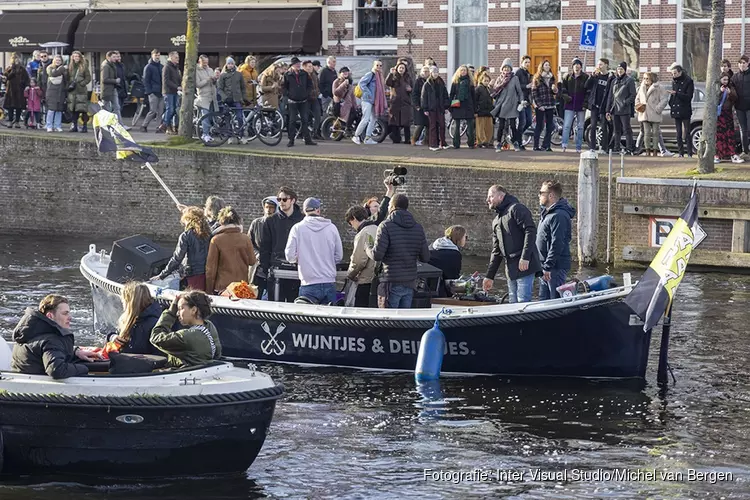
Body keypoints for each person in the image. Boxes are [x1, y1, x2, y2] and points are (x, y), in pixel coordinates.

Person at [11, 294, 102, 379]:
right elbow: (56, 370)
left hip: (22, 378)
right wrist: (84, 368)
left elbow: (40, 349)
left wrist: (75, 352)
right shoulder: (51, 340)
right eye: (65, 313)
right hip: (39, 388)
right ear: (50, 316)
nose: (70, 317)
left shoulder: (30, 332)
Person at [482, 184, 542, 304]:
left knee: (522, 301)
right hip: (510, 268)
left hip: (524, 265)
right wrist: (489, 276)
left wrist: (525, 257)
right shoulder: (496, 221)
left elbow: (530, 231)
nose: (487, 200)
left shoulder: (517, 209)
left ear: (500, 196)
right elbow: (497, 251)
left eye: (490, 196)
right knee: (513, 303)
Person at [369, 194, 430, 309]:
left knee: (388, 320)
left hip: (391, 282)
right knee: (403, 320)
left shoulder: (385, 226)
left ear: (392, 207)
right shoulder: (418, 228)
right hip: (410, 282)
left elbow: (377, 255)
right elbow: (425, 258)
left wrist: (368, 248)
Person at [285, 198, 343, 304]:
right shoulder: (332, 228)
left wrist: (301, 259)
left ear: (304, 211)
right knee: (329, 319)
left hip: (308, 283)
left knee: (306, 319)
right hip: (329, 281)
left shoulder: (297, 228)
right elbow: (339, 256)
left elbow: (289, 256)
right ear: (318, 210)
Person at [150, 291, 221, 368]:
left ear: (193, 310)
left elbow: (155, 337)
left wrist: (170, 312)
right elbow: (217, 354)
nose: (177, 313)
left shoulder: (186, 337)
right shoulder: (210, 327)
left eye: (181, 308)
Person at [260, 186, 305, 302]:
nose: (281, 202)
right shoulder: (270, 221)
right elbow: (265, 246)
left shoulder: (303, 221)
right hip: (275, 269)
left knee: (295, 306)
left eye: (284, 199)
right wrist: (266, 268)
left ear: (293, 200)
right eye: (279, 200)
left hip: (297, 271)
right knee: (274, 305)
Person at [153, 206, 211, 291]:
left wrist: (162, 275)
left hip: (193, 274)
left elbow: (177, 258)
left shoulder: (186, 236)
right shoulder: (209, 234)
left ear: (188, 220)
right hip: (208, 273)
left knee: (194, 300)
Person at [536, 181, 576, 300]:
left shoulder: (558, 215)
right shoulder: (548, 213)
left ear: (551, 195)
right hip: (545, 266)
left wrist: (548, 266)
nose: (539, 195)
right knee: (543, 302)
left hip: (554, 267)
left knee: (555, 301)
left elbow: (557, 243)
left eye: (541, 193)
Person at [205, 207, 256, 295]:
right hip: (241, 287)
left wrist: (209, 290)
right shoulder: (246, 238)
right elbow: (252, 261)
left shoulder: (216, 240)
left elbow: (211, 269)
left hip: (223, 288)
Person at [104, 282, 163, 356]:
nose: (122, 303)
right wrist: (112, 337)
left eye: (123, 300)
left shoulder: (152, 324)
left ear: (129, 302)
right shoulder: (130, 320)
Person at [345, 205, 379, 307]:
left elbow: (359, 261)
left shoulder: (362, 234)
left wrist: (350, 274)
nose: (352, 226)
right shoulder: (378, 229)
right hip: (378, 280)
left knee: (361, 310)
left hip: (365, 280)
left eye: (350, 223)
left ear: (354, 218)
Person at [248, 196, 280, 299]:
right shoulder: (256, 223)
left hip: (273, 268)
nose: (269, 210)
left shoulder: (279, 225)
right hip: (258, 267)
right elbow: (249, 243)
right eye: (267, 207)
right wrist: (257, 254)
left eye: (271, 207)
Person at [491, 59, 523, 152]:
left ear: (511, 69)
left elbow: (520, 92)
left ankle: (516, 143)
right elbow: (494, 91)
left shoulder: (515, 78)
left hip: (512, 105)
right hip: (502, 105)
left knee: (513, 126)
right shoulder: (499, 78)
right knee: (501, 126)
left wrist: (521, 101)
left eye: (508, 68)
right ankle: (498, 143)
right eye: (505, 68)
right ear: (502, 69)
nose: (506, 70)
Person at [634, 71, 669, 157]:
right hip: (644, 113)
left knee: (655, 133)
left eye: (647, 78)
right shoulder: (641, 88)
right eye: (644, 78)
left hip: (654, 113)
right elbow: (637, 98)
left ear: (652, 79)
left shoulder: (659, 87)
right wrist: (638, 107)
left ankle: (655, 151)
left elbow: (664, 99)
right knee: (646, 132)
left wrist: (658, 108)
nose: (645, 80)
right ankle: (647, 151)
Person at [284, 57, 316, 147]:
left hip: (303, 100)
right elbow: (284, 87)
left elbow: (310, 84)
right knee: (292, 121)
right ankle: (291, 140)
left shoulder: (304, 74)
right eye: (296, 64)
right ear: (292, 65)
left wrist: (306, 93)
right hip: (292, 101)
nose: (298, 65)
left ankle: (307, 139)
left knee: (305, 120)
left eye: (298, 63)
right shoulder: (287, 74)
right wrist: (289, 95)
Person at [353, 60, 387, 145]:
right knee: (365, 119)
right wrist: (368, 93)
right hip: (367, 100)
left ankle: (367, 138)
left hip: (374, 101)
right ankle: (356, 136)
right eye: (377, 65)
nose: (379, 67)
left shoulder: (379, 76)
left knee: (374, 119)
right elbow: (361, 83)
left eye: (380, 65)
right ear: (374, 66)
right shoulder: (370, 74)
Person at [606, 61, 636, 154]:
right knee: (616, 130)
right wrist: (608, 110)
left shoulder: (629, 80)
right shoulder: (614, 81)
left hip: (624, 109)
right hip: (615, 109)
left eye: (621, 69)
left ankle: (629, 148)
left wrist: (625, 103)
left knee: (627, 129)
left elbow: (633, 94)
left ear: (625, 70)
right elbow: (610, 96)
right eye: (618, 69)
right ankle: (616, 147)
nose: (619, 71)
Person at [428, 225, 467, 297]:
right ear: (459, 238)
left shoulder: (432, 246)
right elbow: (452, 278)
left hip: (426, 285)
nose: (466, 239)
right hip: (439, 291)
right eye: (465, 237)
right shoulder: (455, 255)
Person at [560, 58, 589, 153]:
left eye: (578, 65)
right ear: (572, 67)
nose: (577, 66)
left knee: (580, 126)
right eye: (575, 65)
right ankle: (564, 145)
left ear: (581, 66)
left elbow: (588, 91)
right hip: (570, 103)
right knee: (567, 125)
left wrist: (585, 103)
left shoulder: (585, 77)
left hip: (581, 105)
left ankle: (578, 147)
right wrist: (566, 97)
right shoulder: (567, 77)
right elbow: (563, 89)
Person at [585, 58, 614, 152]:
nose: (599, 66)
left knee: (603, 126)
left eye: (601, 64)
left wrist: (608, 107)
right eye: (598, 65)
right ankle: (592, 147)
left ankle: (604, 148)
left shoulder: (610, 78)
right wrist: (592, 76)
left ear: (606, 65)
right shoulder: (596, 76)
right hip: (594, 105)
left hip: (604, 106)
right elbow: (586, 86)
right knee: (593, 126)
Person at [716, 72, 744, 164]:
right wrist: (720, 92)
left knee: (729, 133)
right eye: (724, 79)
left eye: (727, 80)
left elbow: (735, 98)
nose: (725, 81)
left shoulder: (730, 88)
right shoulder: (717, 88)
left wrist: (730, 93)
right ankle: (718, 155)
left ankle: (732, 153)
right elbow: (714, 99)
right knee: (720, 135)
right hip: (719, 115)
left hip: (728, 113)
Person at [668, 63, 694, 158]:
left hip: (685, 109)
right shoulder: (674, 81)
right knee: (678, 132)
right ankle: (680, 153)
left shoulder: (688, 81)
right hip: (676, 108)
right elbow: (673, 94)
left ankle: (690, 153)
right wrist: (671, 103)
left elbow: (689, 96)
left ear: (680, 72)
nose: (673, 75)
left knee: (687, 132)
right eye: (672, 73)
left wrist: (677, 94)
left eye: (675, 73)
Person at [531, 60, 558, 152]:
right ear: (542, 66)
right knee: (539, 125)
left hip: (550, 104)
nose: (547, 66)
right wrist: (539, 105)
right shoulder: (537, 78)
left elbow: (553, 91)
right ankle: (535, 146)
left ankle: (546, 145)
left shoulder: (552, 77)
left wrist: (555, 90)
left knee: (550, 126)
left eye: (549, 65)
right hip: (541, 105)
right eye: (546, 65)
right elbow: (534, 93)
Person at [447, 65, 476, 149]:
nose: (463, 72)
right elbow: (452, 94)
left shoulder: (470, 83)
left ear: (467, 72)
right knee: (457, 126)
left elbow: (473, 96)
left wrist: (475, 108)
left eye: (465, 70)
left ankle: (471, 143)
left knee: (470, 126)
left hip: (468, 105)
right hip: (458, 104)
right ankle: (456, 144)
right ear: (459, 72)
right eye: (461, 70)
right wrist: (450, 106)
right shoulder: (455, 82)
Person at [422, 65, 449, 151]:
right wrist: (425, 108)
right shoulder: (427, 84)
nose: (436, 74)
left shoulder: (441, 83)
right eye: (434, 72)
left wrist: (446, 106)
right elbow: (424, 97)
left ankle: (443, 143)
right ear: (431, 73)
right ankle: (433, 144)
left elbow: (445, 95)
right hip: (431, 108)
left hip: (440, 107)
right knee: (433, 126)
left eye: (437, 72)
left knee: (442, 125)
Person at [386, 61, 413, 144]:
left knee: (406, 122)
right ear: (397, 68)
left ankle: (407, 139)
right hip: (395, 102)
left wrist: (410, 90)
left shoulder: (408, 78)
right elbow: (388, 83)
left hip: (405, 102)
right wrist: (390, 74)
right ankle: (396, 138)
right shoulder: (394, 77)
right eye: (400, 68)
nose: (401, 69)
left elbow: (412, 87)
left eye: (403, 68)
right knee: (395, 121)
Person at [196, 54, 219, 143]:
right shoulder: (197, 71)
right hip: (203, 96)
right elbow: (197, 84)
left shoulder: (210, 69)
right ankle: (205, 134)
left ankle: (208, 134)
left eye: (207, 62)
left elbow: (214, 82)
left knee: (211, 116)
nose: (206, 64)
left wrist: (214, 79)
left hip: (212, 96)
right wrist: (207, 79)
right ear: (200, 61)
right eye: (204, 62)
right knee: (205, 116)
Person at [218, 57, 246, 130]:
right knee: (227, 118)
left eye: (232, 64)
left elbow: (243, 87)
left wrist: (243, 98)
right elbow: (220, 88)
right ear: (226, 65)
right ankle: (229, 135)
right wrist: (224, 97)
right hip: (227, 99)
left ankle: (241, 134)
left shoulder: (239, 74)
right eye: (229, 64)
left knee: (240, 117)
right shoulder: (223, 75)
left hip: (237, 99)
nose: (230, 65)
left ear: (234, 65)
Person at [67, 51, 92, 133]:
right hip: (73, 91)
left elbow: (88, 78)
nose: (76, 58)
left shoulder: (84, 67)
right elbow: (68, 77)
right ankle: (74, 126)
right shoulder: (70, 67)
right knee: (74, 109)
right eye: (74, 56)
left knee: (83, 109)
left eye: (77, 56)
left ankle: (84, 126)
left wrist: (82, 83)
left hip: (81, 91)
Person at [3, 53, 30, 129]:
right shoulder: (9, 69)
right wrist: (12, 70)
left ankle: (17, 121)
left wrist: (27, 86)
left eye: (17, 59)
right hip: (11, 90)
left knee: (19, 107)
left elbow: (27, 79)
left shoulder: (23, 69)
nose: (16, 60)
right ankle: (10, 121)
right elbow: (6, 78)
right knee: (10, 107)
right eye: (14, 59)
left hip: (20, 90)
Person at [142, 49, 164, 133]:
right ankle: (144, 125)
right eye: (156, 55)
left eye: (158, 55)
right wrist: (149, 92)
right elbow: (146, 80)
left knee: (160, 111)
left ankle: (158, 127)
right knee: (153, 110)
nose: (157, 57)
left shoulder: (161, 66)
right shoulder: (148, 67)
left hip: (161, 91)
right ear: (152, 56)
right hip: (153, 92)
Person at [732, 56, 750, 160]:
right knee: (743, 129)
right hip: (739, 107)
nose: (742, 65)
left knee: (749, 128)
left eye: (744, 63)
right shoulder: (735, 77)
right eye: (740, 63)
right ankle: (745, 151)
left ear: (748, 63)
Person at [44, 55, 68, 133]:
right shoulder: (49, 68)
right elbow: (53, 74)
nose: (58, 62)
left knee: (59, 110)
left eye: (59, 60)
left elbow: (66, 80)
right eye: (56, 60)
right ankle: (49, 125)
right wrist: (62, 68)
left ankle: (57, 125)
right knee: (51, 109)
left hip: (61, 92)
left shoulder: (64, 70)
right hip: (51, 92)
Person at [515, 56, 533, 150]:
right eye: (526, 62)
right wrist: (526, 86)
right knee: (522, 121)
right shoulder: (518, 72)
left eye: (529, 62)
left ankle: (518, 136)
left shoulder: (528, 73)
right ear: (522, 63)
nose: (527, 64)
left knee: (529, 121)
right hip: (520, 101)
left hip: (527, 101)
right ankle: (519, 142)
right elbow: (516, 86)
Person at [303, 60, 324, 141]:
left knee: (318, 115)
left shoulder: (314, 75)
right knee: (305, 117)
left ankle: (314, 132)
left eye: (311, 66)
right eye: (309, 66)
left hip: (314, 98)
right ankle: (304, 133)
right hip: (307, 99)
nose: (311, 68)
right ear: (304, 67)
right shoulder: (303, 75)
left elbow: (317, 85)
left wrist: (318, 92)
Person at [162, 51, 182, 135]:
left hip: (175, 92)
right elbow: (166, 81)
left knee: (175, 109)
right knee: (170, 109)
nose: (178, 59)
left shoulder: (176, 68)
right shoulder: (167, 67)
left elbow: (177, 79)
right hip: (168, 92)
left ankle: (168, 124)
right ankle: (165, 125)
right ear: (171, 58)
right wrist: (176, 86)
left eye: (178, 57)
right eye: (176, 57)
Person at [332, 66, 356, 132]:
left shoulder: (350, 82)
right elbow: (336, 93)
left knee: (354, 114)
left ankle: (348, 128)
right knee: (345, 116)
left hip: (348, 104)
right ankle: (345, 129)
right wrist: (343, 84)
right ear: (340, 73)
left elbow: (352, 95)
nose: (345, 73)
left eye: (346, 72)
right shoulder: (336, 82)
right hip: (339, 104)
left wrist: (355, 106)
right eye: (343, 72)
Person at [474, 70, 494, 148]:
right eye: (485, 80)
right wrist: (476, 111)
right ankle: (480, 142)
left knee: (488, 127)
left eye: (487, 81)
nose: (486, 82)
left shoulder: (489, 89)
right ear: (481, 80)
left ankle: (486, 141)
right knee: (480, 128)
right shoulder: (479, 89)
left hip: (488, 112)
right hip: (480, 112)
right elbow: (475, 101)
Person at [411, 65, 430, 145]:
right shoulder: (418, 81)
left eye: (427, 71)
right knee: (420, 124)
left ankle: (426, 140)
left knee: (428, 124)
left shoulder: (430, 81)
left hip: (428, 105)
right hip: (420, 106)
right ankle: (414, 139)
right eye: (424, 71)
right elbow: (414, 94)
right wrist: (416, 105)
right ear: (421, 72)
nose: (425, 73)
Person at [100, 51, 121, 122]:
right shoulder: (105, 66)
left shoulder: (112, 65)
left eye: (116, 57)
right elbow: (104, 79)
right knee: (106, 108)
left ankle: (119, 124)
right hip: (107, 90)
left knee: (116, 107)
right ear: (108, 57)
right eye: (114, 57)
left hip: (113, 89)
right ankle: (105, 124)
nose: (116, 58)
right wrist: (115, 81)